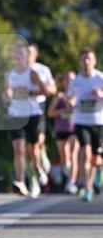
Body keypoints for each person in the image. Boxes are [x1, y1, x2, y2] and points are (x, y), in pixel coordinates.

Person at [3, 42, 48, 197]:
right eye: (16, 55)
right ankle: (20, 181)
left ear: (26, 57)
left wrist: (28, 92)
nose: (19, 57)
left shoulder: (32, 73)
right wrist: (7, 95)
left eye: (22, 55)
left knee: (33, 151)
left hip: (33, 114)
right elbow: (5, 93)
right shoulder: (9, 74)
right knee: (19, 148)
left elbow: (45, 91)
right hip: (15, 114)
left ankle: (38, 168)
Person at [68, 48, 103, 203]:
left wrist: (100, 95)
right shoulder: (75, 81)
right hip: (81, 121)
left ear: (94, 61)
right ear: (80, 62)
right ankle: (87, 188)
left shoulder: (100, 78)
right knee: (85, 153)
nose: (86, 62)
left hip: (98, 122)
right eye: (83, 59)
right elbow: (69, 103)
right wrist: (71, 102)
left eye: (89, 59)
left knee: (96, 159)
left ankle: (98, 173)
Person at [28, 43, 56, 194]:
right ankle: (33, 181)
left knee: (37, 144)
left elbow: (51, 90)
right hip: (20, 113)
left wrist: (37, 81)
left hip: (38, 110)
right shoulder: (16, 71)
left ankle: (42, 153)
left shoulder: (42, 70)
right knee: (25, 150)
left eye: (30, 53)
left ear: (35, 54)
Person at [47, 72, 78, 194]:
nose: (69, 82)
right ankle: (69, 173)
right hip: (61, 129)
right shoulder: (60, 96)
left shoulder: (78, 95)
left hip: (75, 129)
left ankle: (71, 182)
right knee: (64, 156)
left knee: (73, 153)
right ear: (63, 82)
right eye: (67, 79)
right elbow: (50, 113)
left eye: (72, 79)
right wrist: (63, 110)